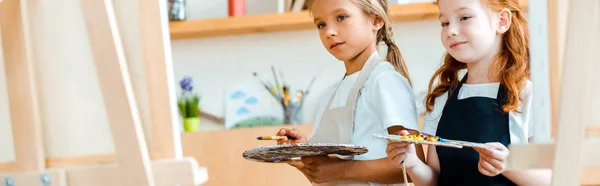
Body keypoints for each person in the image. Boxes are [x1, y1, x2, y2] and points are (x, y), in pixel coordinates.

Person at [385, 0, 552, 185]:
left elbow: (554, 180)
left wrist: (509, 165)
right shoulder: (442, 100)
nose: (451, 31)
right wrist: (412, 164)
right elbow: (436, 180)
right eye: (445, 23)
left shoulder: (528, 97)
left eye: (464, 18)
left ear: (502, 20)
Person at [275, 0, 423, 185]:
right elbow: (325, 175)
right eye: (321, 24)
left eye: (341, 17)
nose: (329, 32)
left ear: (376, 20)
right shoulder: (329, 95)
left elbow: (412, 166)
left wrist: (341, 169)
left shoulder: (385, 80)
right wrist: (304, 153)